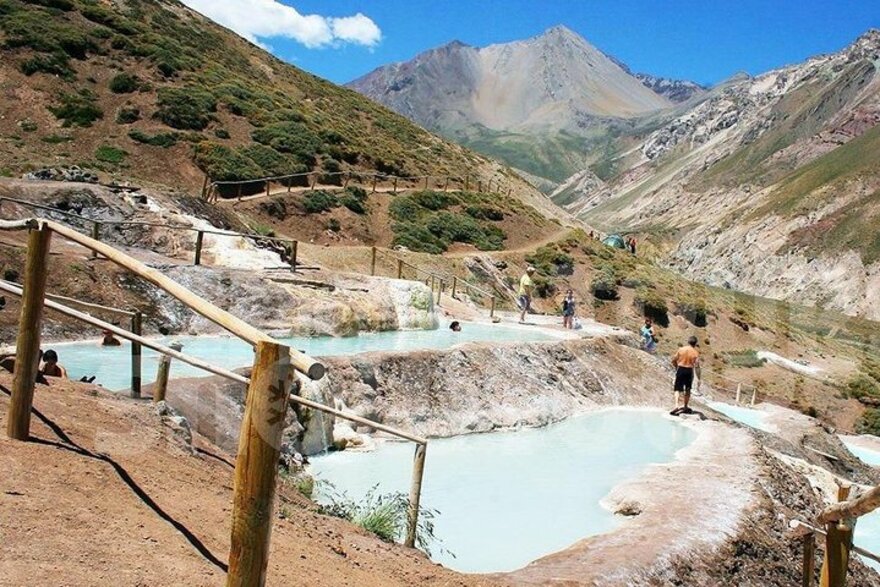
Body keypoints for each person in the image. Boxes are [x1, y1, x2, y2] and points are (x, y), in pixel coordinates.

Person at [670, 336, 701, 415]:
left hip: (680, 369)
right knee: (687, 389)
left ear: (688, 341)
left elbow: (673, 360)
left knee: (677, 388)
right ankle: (685, 406)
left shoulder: (681, 349)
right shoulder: (695, 353)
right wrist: (699, 378)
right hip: (689, 370)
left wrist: (677, 367)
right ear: (695, 343)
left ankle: (676, 405)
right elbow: (697, 366)